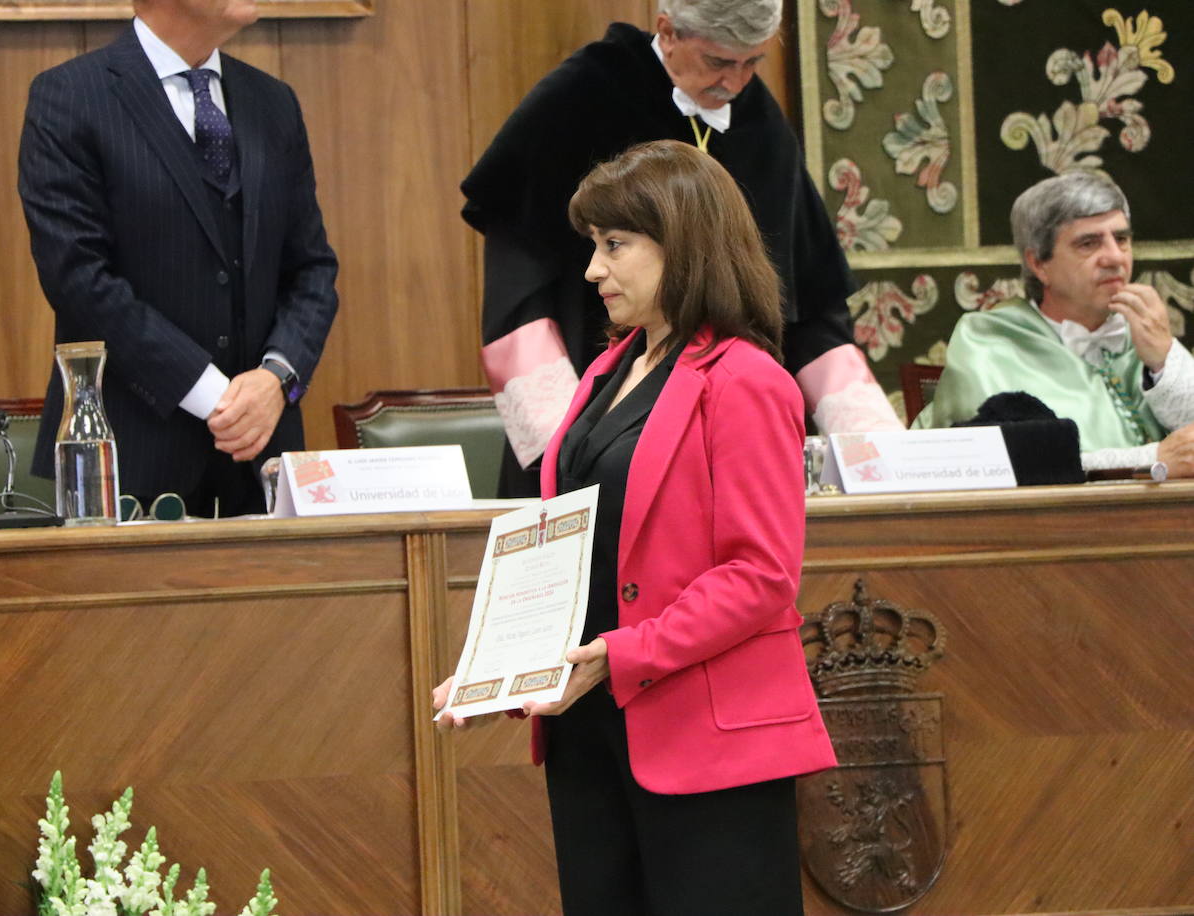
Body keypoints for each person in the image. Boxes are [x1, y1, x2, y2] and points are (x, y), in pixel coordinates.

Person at [435, 140, 835, 916]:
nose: (592, 270)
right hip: (591, 732)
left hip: (706, 741)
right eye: (593, 245)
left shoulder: (748, 380)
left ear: (682, 244)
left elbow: (761, 575)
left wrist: (622, 654)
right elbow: (572, 550)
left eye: (615, 245)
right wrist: (504, 668)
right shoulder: (605, 371)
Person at [462, 0, 900, 497]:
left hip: (729, 420)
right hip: (598, 403)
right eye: (718, 62)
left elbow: (808, 301)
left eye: (752, 62)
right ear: (667, 32)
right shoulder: (581, 97)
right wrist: (562, 451)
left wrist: (874, 451)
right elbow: (517, 286)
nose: (735, 83)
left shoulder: (761, 122)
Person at [18, 0, 338, 517]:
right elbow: (79, 278)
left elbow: (312, 270)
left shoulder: (272, 101)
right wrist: (217, 397)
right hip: (129, 469)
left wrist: (276, 378)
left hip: (263, 464)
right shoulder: (70, 96)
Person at [920, 172, 1194, 477]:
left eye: (1121, 239)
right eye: (1089, 243)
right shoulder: (989, 343)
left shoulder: (1141, 334)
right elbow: (1004, 466)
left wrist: (1163, 361)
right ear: (1039, 264)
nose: (1115, 257)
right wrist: (1152, 458)